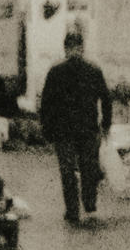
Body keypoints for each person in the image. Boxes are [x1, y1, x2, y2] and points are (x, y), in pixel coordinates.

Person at [39, 30, 112, 225]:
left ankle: (73, 211)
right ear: (82, 47)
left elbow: (46, 104)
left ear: (66, 48)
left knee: (68, 171)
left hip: (64, 131)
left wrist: (47, 130)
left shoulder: (56, 71)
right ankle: (89, 206)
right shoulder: (93, 70)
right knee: (89, 169)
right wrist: (105, 125)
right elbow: (106, 99)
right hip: (87, 129)